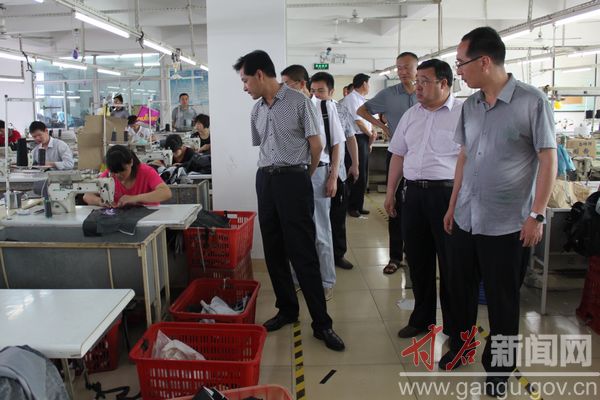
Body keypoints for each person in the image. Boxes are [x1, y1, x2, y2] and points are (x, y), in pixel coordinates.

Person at [440, 27, 557, 398]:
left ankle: (499, 367)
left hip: (507, 225)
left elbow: (548, 159)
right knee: (459, 293)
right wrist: (452, 204)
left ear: (485, 61)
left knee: (503, 301)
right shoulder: (470, 106)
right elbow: (464, 156)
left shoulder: (532, 102)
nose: (459, 71)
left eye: (461, 63)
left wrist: (537, 215)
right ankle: (461, 348)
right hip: (466, 218)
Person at [233, 50, 344, 351]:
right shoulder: (256, 110)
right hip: (265, 180)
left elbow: (316, 146)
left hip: (293, 178)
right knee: (273, 248)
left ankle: (322, 323)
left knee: (303, 251)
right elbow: (263, 146)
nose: (244, 87)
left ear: (260, 74)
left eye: (245, 80)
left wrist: (304, 176)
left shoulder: (299, 102)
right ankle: (287, 309)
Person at [384, 59, 462, 340]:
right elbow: (398, 154)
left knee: (451, 264)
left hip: (447, 195)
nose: (417, 87)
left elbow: (469, 160)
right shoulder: (411, 115)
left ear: (444, 83)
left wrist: (456, 201)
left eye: (424, 81)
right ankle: (422, 319)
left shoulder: (462, 114)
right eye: (417, 81)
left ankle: (454, 327)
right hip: (413, 194)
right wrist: (391, 192)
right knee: (418, 260)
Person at [281, 65, 345, 301]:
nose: (283, 89)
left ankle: (326, 280)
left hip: (318, 173)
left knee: (320, 230)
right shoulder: (288, 108)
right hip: (295, 174)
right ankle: (300, 278)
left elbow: (337, 144)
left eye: (287, 85)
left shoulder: (324, 107)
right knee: (297, 229)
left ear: (301, 85)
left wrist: (333, 177)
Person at [358, 52, 418, 276]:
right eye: (399, 68)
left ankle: (415, 255)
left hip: (422, 158)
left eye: (407, 67)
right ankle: (395, 257)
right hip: (397, 154)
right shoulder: (389, 95)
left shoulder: (426, 93)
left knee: (417, 207)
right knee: (394, 206)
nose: (402, 72)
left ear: (417, 68)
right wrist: (382, 126)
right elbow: (362, 110)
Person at [311, 72, 359, 271]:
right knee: (318, 220)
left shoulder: (340, 110)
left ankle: (338, 255)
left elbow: (350, 138)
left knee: (337, 217)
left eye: (321, 91)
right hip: (317, 172)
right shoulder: (309, 109)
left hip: (337, 172)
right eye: (313, 90)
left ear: (331, 91)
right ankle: (320, 258)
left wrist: (355, 164)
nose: (316, 94)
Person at [83, 145, 172, 207]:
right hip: (121, 220)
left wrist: (135, 198)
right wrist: (100, 202)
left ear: (131, 162)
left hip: (149, 219)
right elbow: (87, 195)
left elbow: (166, 193)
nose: (118, 175)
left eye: (122, 171)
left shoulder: (146, 172)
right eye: (114, 172)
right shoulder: (108, 175)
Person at [343, 73, 376, 217]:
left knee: (363, 173)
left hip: (364, 137)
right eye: (368, 84)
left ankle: (358, 204)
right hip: (356, 138)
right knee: (356, 172)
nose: (369, 87)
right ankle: (351, 206)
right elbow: (358, 121)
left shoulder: (361, 99)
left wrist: (372, 132)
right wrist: (370, 135)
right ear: (364, 84)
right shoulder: (352, 99)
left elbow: (368, 120)